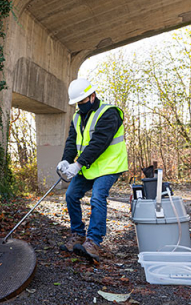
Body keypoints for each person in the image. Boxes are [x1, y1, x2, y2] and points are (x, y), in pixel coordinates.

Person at [57, 78, 128, 262]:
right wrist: (66, 160)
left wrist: (78, 163)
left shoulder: (109, 113)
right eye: (77, 104)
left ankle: (94, 242)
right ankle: (78, 235)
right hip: (89, 166)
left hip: (109, 165)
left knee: (97, 196)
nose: (80, 106)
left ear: (92, 96)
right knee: (71, 195)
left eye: (82, 102)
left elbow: (99, 142)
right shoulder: (76, 117)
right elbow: (72, 141)